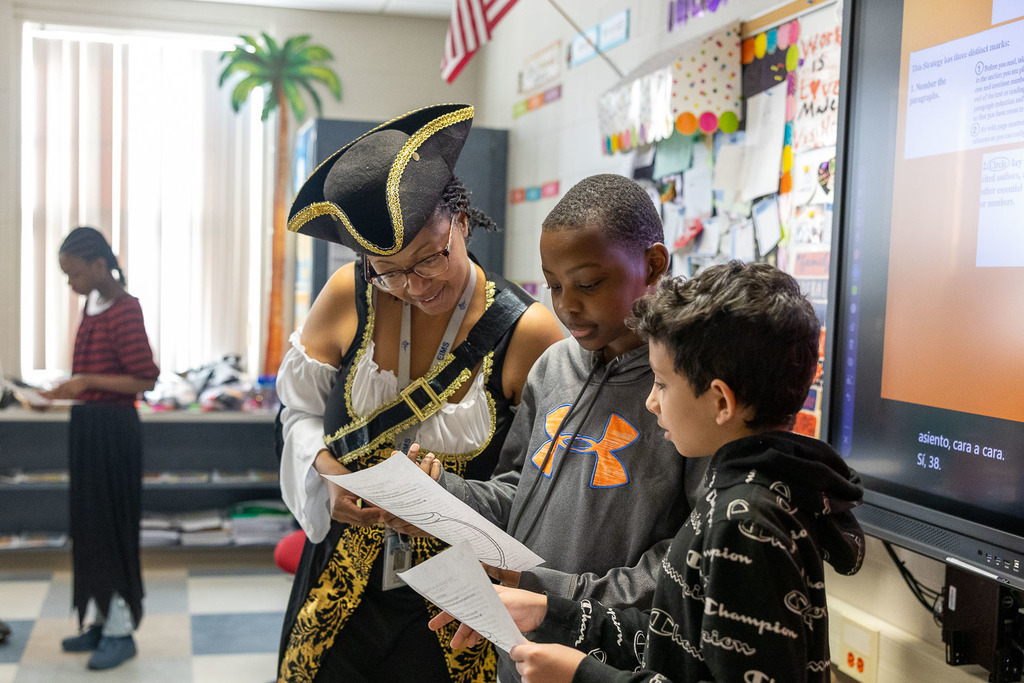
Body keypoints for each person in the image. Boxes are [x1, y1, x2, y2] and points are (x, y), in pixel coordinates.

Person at [437, 261, 866, 683]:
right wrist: (551, 613)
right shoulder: (735, 495)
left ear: (721, 402)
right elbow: (674, 643)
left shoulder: (744, 521)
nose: (651, 402)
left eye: (661, 383)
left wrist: (581, 675)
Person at [275, 103, 564, 683]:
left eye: (431, 257)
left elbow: (545, 489)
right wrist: (324, 472)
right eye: (389, 271)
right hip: (339, 584)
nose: (415, 286)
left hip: (456, 608)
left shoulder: (527, 332)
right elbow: (297, 410)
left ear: (462, 221)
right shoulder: (348, 295)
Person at [393, 173, 708, 683]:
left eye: (588, 284)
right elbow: (518, 493)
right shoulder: (553, 367)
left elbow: (680, 564)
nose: (566, 305)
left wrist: (550, 593)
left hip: (611, 663)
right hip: (522, 649)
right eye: (554, 285)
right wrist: (444, 495)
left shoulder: (684, 391)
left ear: (652, 265)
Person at [42, 226, 159, 671]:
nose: (70, 283)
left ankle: (120, 630)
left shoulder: (126, 309)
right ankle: (100, 618)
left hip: (114, 433)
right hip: (88, 428)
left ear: (97, 264)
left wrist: (86, 382)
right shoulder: (92, 304)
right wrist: (66, 391)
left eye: (73, 274)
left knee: (111, 529)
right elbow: (93, 375)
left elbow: (145, 379)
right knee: (89, 529)